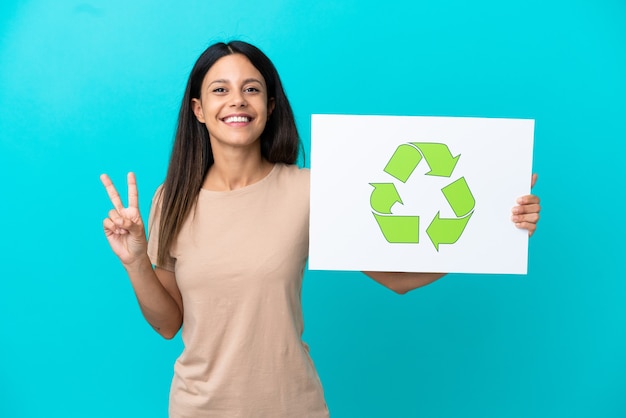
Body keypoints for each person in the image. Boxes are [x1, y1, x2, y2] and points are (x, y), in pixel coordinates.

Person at [100, 40, 541, 417]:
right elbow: (167, 324)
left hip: (293, 406)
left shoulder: (312, 190)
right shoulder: (170, 199)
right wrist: (136, 262)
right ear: (198, 109)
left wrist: (493, 232)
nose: (237, 100)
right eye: (220, 90)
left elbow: (398, 280)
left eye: (251, 89)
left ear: (269, 106)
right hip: (198, 409)